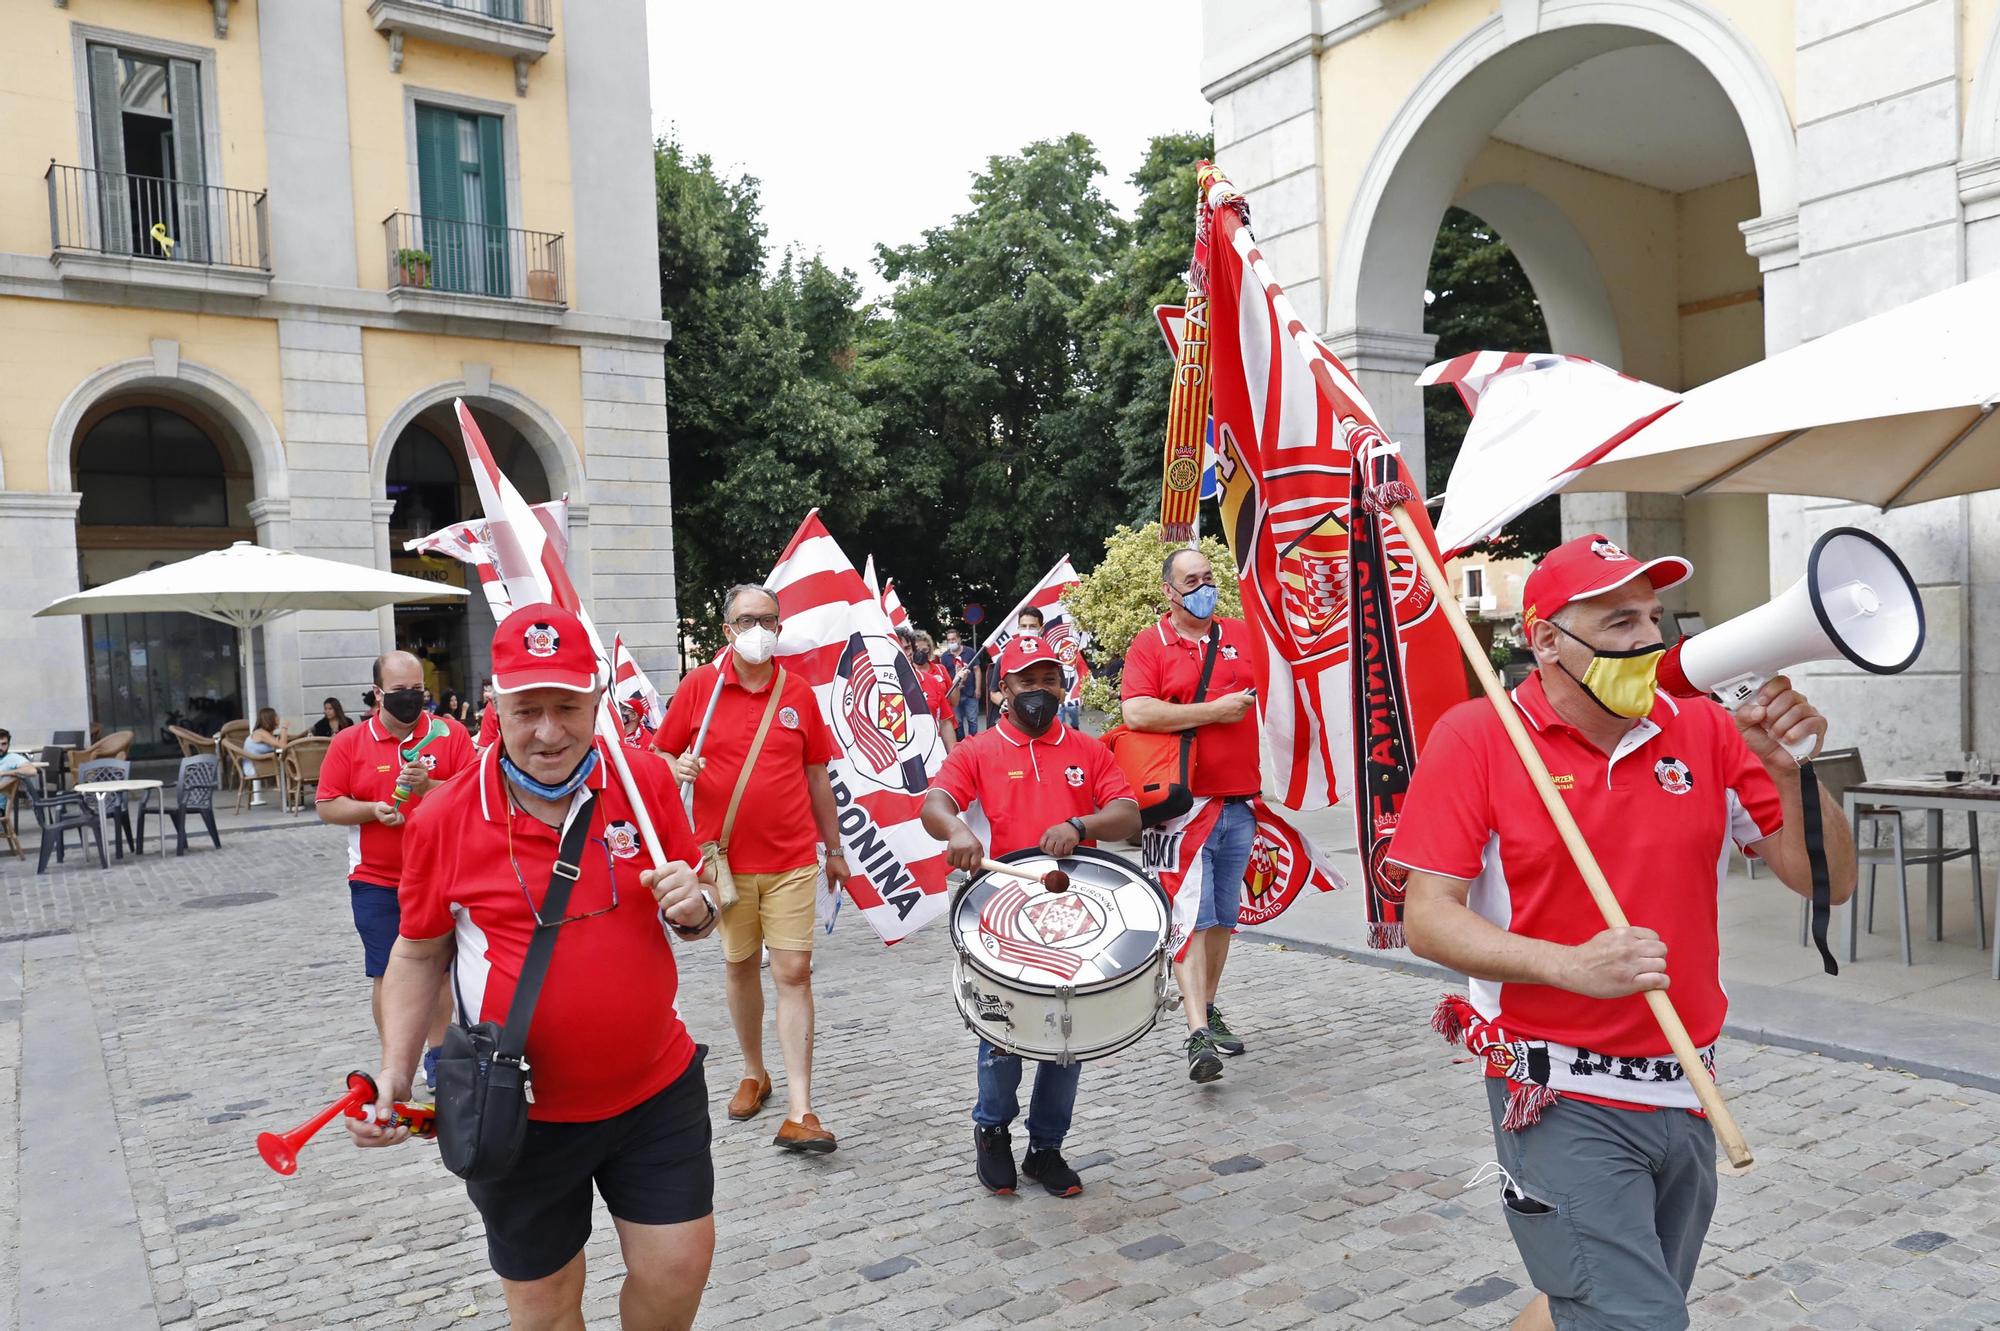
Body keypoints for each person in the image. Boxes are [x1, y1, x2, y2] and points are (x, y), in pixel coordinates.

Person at [1392, 534, 1856, 1331]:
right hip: (1557, 1090)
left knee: (1604, 1301)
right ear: (1544, 639)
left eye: (1653, 617)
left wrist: (1792, 772)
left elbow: (1830, 881)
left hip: (1687, 1083)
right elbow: (1426, 918)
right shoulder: (1478, 735)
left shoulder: (1705, 730)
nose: (1648, 640)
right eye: (1617, 623)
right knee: (1636, 1317)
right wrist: (1569, 965)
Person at [348, 603, 719, 1330]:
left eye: (566, 707)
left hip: (654, 1088)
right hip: (517, 1111)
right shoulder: (445, 815)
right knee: (545, 1307)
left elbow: (698, 915)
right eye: (527, 710)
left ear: (594, 700)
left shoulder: (643, 784)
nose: (548, 731)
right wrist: (394, 1067)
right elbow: (418, 949)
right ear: (495, 704)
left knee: (677, 1271)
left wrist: (698, 906)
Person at [921, 636, 1141, 1197]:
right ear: (1002, 690)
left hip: (1076, 914)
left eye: (1048, 680)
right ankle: (991, 1130)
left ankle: (1046, 1148)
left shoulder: (1089, 750)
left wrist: (1082, 827)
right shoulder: (976, 750)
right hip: (1001, 912)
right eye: (1025, 681)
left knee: (1069, 1034)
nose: (1038, 692)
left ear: (1062, 685)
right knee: (1002, 1032)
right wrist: (957, 831)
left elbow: (1127, 814)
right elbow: (934, 805)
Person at [656, 584, 851, 1152]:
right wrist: (677, 765)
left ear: (780, 627)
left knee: (793, 972)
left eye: (767, 619)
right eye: (746, 620)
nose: (758, 629)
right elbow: (660, 755)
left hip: (792, 857)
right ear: (727, 631)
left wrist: (834, 849)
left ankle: (801, 1108)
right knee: (740, 965)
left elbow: (818, 776)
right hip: (722, 861)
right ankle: (752, 1070)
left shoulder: (799, 694)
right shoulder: (700, 688)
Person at [1120, 546, 1260, 1082]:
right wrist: (1214, 712)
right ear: (1170, 591)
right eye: (1191, 580)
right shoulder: (1150, 644)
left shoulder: (1239, 635)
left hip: (1238, 799)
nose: (1204, 587)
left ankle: (1208, 1005)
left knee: (1224, 916)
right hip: (1181, 807)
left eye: (1208, 577)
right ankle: (1196, 1032)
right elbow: (1137, 710)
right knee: (1192, 919)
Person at [316, 650, 477, 1087]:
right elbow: (328, 805)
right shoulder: (350, 742)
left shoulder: (449, 733)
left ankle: (440, 1059)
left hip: (440, 875)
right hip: (376, 880)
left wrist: (432, 786)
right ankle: (397, 1063)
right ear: (377, 693)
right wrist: (373, 809)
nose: (410, 700)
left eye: (418, 692)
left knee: (440, 971)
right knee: (388, 972)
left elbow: (475, 793)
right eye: (400, 693)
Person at [910, 630, 957, 752]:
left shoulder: (940, 670)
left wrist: (957, 681)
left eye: (924, 650)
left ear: (930, 650)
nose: (920, 653)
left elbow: (954, 701)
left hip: (944, 724)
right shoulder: (905, 676)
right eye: (917, 650)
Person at [940, 628, 980, 739]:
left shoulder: (970, 651)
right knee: (958, 722)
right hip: (953, 695)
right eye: (949, 640)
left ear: (959, 639)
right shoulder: (944, 657)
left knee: (973, 721)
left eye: (954, 639)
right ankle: (962, 745)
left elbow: (977, 670)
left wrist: (978, 688)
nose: (952, 642)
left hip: (970, 692)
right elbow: (943, 675)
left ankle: (974, 743)